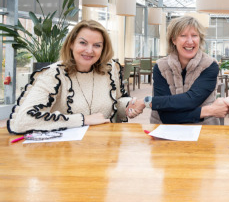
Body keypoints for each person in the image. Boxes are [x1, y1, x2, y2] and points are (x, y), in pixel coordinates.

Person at [8, 20, 137, 134]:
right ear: (71, 44)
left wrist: (129, 105)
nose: (89, 50)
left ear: (103, 49)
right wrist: (84, 119)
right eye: (83, 43)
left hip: (102, 147)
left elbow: (117, 100)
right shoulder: (53, 74)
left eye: (97, 45)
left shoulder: (110, 69)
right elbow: (23, 121)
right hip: (62, 152)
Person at [129, 16, 229, 124]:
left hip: (203, 131)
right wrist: (206, 111)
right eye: (183, 36)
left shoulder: (210, 65)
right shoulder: (161, 67)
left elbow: (191, 100)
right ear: (173, 40)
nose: (190, 41)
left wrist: (147, 101)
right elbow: (166, 117)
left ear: (200, 39)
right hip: (166, 132)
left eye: (194, 35)